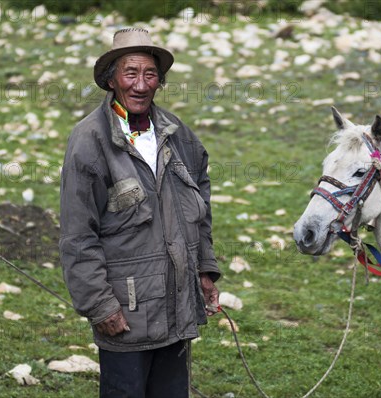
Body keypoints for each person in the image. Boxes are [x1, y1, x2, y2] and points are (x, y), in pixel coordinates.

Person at [59, 28, 221, 398]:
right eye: (131, 73)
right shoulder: (89, 140)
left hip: (177, 305)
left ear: (160, 82)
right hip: (126, 312)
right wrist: (99, 305)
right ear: (111, 80)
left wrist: (205, 270)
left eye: (150, 74)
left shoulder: (177, 133)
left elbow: (200, 205)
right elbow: (77, 235)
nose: (141, 84)